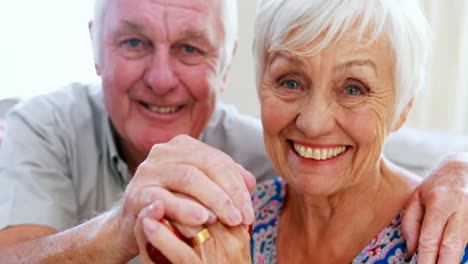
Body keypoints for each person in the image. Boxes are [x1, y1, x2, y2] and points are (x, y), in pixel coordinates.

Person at [0, 0, 467, 263]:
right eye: (290, 81)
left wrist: (458, 166)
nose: (313, 122)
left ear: (225, 68)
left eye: (353, 87)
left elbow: (391, 145)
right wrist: (120, 227)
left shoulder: (444, 235)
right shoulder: (243, 211)